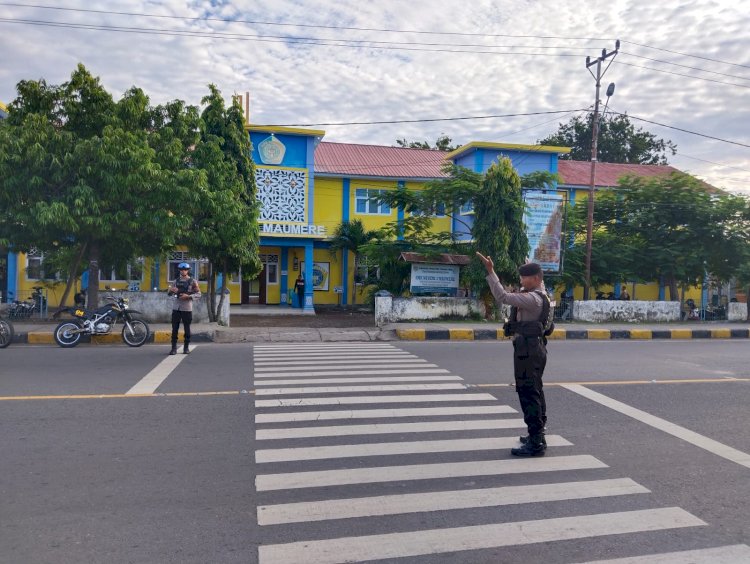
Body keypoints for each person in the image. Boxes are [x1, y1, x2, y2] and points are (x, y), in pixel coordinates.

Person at [476, 252, 552, 457]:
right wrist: (531, 266)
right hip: (534, 348)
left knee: (528, 393)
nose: (521, 281)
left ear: (535, 279)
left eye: (524, 277)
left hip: (529, 350)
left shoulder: (532, 299)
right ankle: (538, 434)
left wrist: (491, 272)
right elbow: (537, 284)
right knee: (535, 391)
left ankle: (536, 443)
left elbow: (502, 296)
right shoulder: (541, 293)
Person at [167, 262, 201, 355]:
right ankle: (173, 348)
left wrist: (188, 296)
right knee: (174, 329)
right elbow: (169, 294)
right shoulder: (175, 281)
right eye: (181, 269)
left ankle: (186, 348)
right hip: (176, 307)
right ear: (179, 270)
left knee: (187, 328)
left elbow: (198, 294)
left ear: (188, 270)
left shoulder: (193, 281)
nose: (183, 271)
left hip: (187, 308)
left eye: (185, 269)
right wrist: (171, 291)